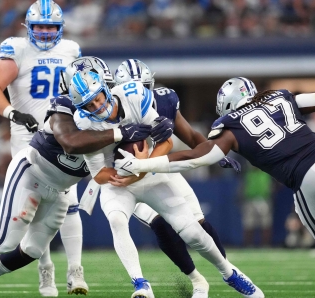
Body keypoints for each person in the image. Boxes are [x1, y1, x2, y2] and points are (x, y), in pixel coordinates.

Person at [115, 77, 315, 298]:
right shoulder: (279, 97)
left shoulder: (229, 126)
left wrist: (142, 164)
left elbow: (196, 158)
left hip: (307, 174)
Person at [0, 59, 153, 298]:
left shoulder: (121, 116)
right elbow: (71, 143)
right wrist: (119, 133)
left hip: (61, 189)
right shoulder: (63, 107)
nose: (99, 104)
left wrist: (138, 159)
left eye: (103, 91)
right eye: (88, 96)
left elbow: (108, 167)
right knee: (4, 241)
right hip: (32, 172)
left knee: (33, 249)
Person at [71, 70, 264, 298]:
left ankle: (230, 272)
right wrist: (127, 174)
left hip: (151, 170)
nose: (97, 107)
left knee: (192, 232)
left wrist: (142, 166)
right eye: (89, 105)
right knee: (117, 219)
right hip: (118, 181)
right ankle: (140, 284)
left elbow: (167, 142)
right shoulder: (84, 123)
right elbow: (99, 174)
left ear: (106, 89)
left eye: (98, 98)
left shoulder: (134, 96)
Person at [0, 0, 87, 295]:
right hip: (29, 139)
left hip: (64, 136)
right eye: (39, 25)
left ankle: (76, 271)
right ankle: (46, 270)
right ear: (28, 26)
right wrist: (11, 113)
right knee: (37, 209)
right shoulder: (16, 49)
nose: (44, 31)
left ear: (60, 28)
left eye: (50, 26)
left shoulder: (71, 50)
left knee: (70, 203)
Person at [113, 59, 243, 298]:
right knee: (160, 224)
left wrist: (215, 152)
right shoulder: (105, 112)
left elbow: (189, 134)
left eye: (143, 87)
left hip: (159, 169)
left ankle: (230, 272)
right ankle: (197, 280)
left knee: (197, 224)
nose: (138, 94)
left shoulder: (163, 100)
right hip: (128, 180)